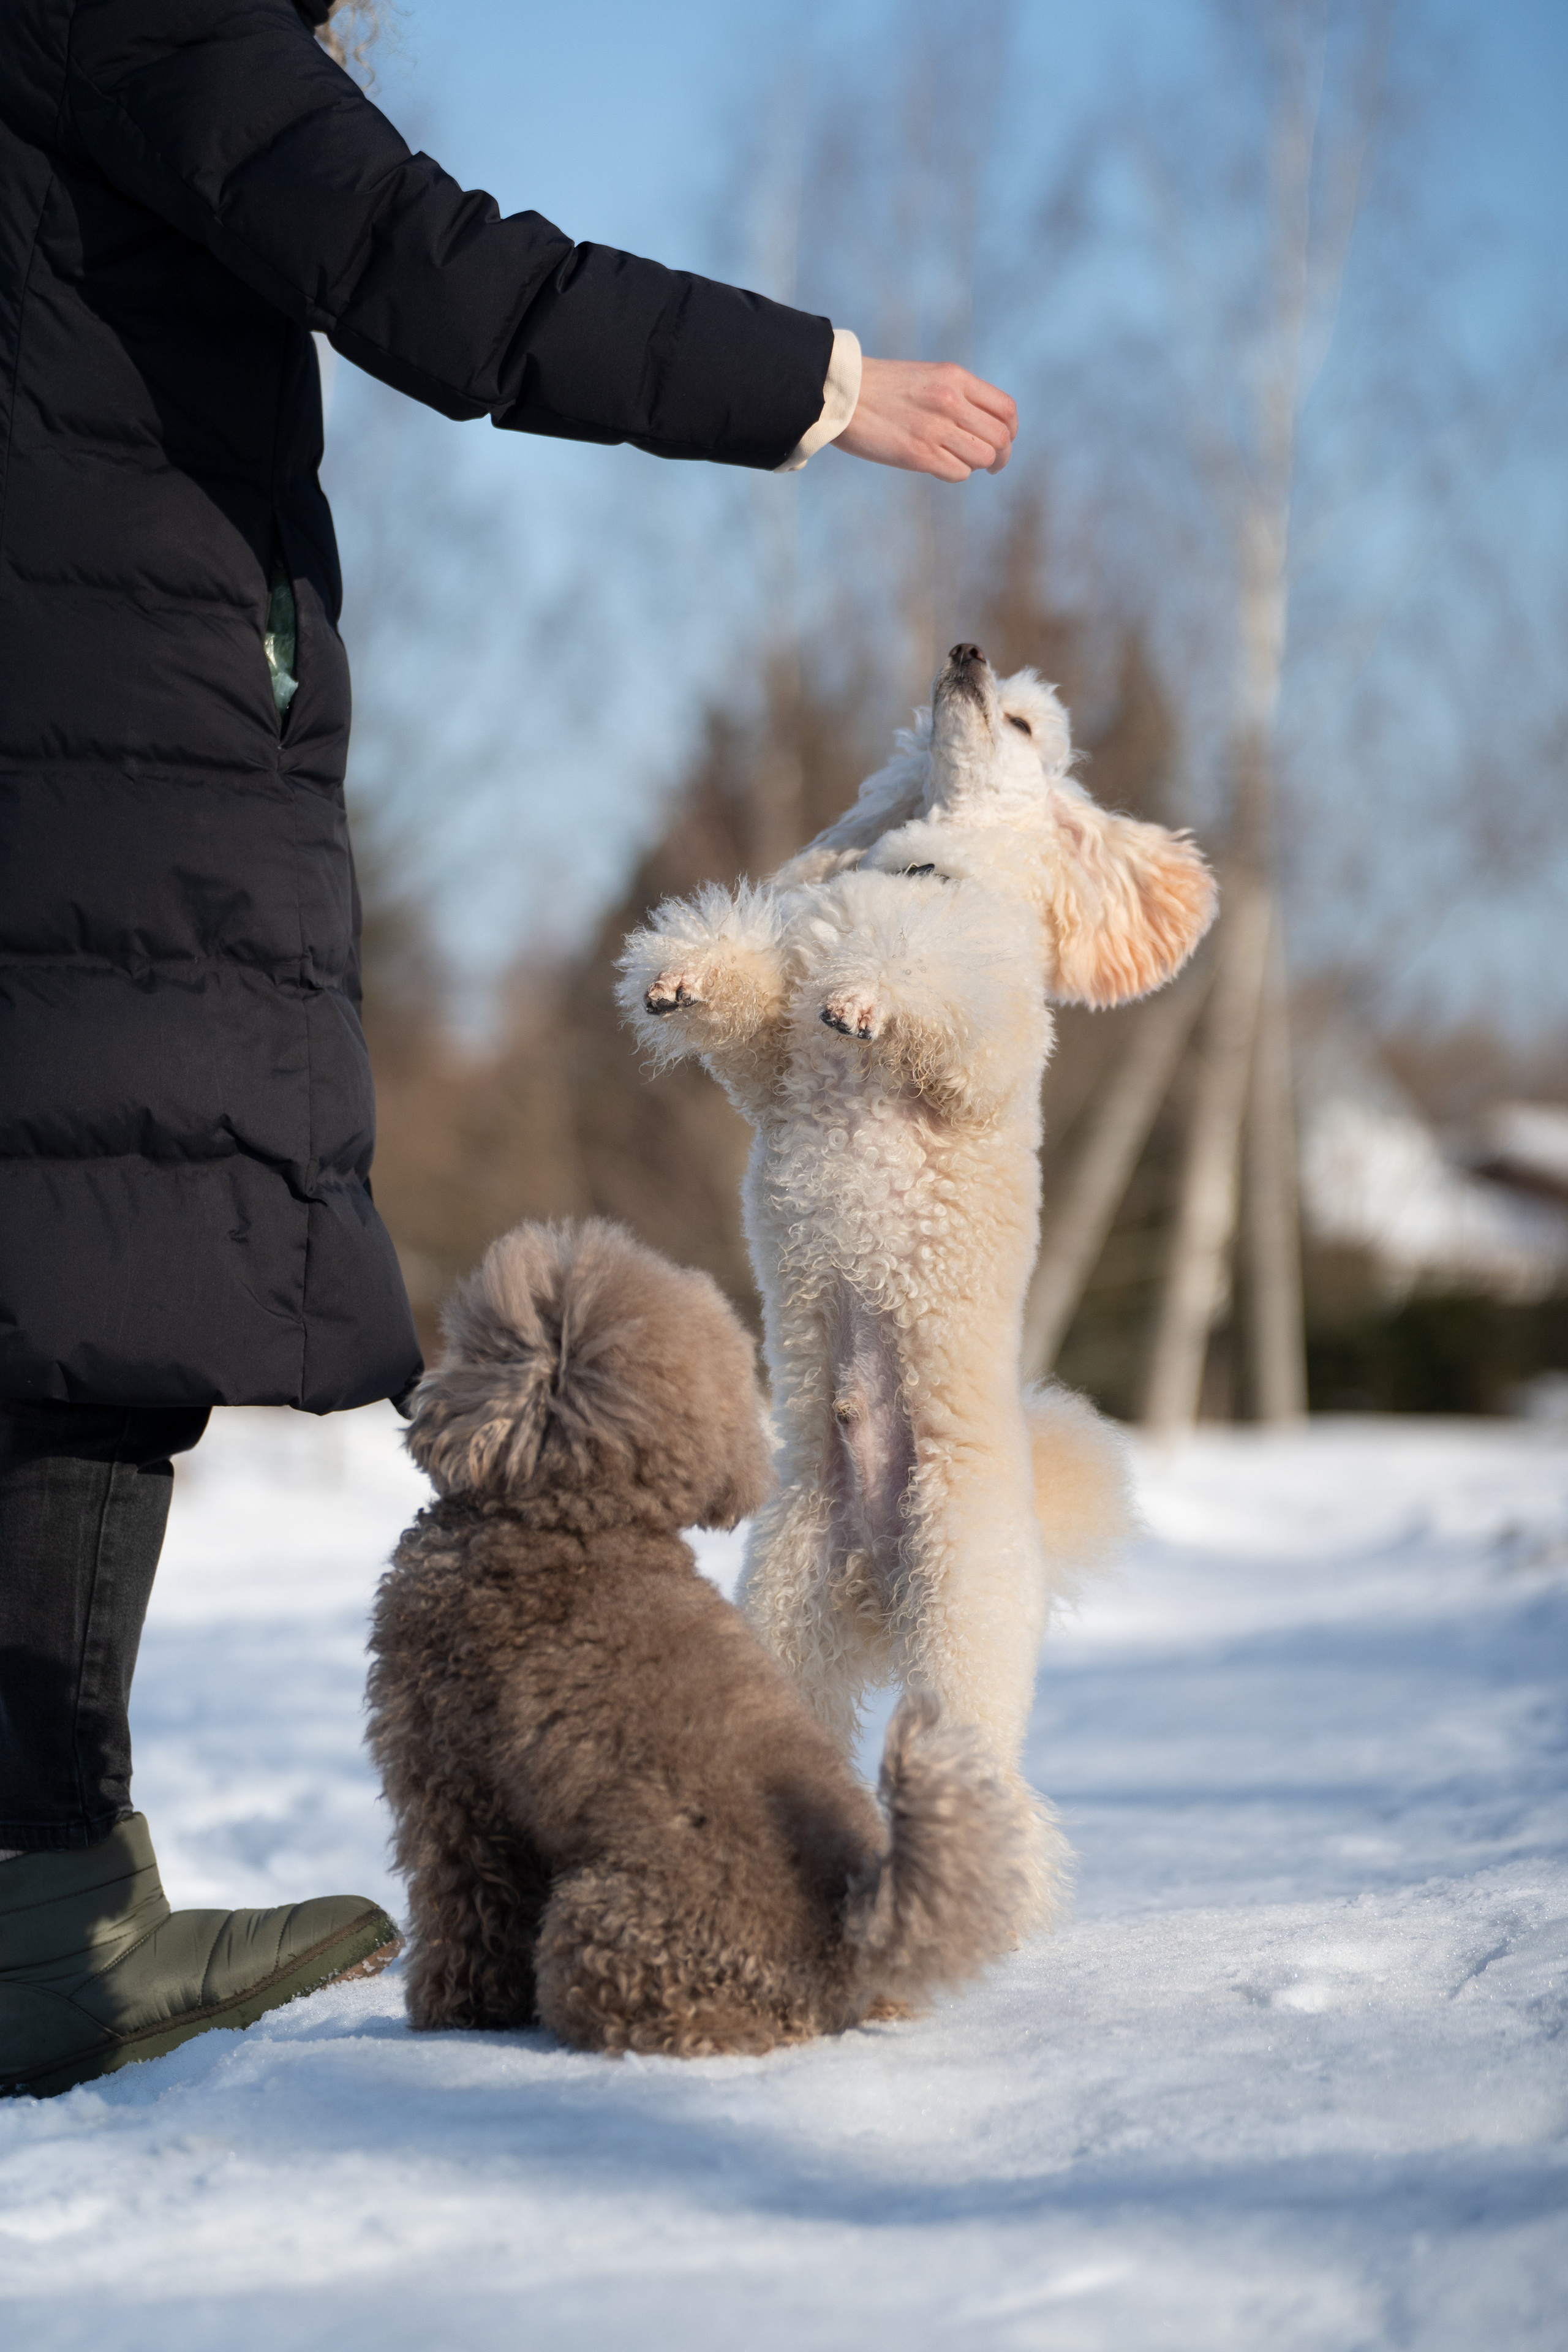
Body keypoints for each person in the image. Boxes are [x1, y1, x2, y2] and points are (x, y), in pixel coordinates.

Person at [0, 0, 1018, 2097]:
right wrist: (821, 385)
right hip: (102, 753)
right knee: (93, 1313)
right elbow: (431, 270)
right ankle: (44, 1913)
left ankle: (50, 1879)